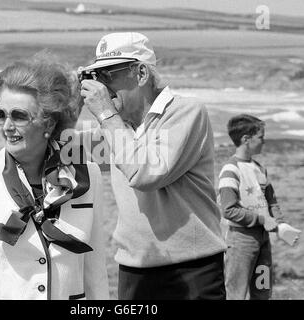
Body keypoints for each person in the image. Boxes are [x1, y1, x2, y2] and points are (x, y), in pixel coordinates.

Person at [0, 55, 109, 300]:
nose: (7, 126)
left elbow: (95, 272)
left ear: (48, 122)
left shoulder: (86, 176)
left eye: (19, 116)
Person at [79, 32, 227, 300]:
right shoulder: (116, 127)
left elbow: (145, 173)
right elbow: (56, 152)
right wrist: (68, 104)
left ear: (141, 73)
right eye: (95, 77)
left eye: (108, 75)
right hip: (136, 268)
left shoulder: (186, 113)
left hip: (192, 269)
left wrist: (106, 115)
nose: (102, 86)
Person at [218, 114, 288, 299]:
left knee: (263, 291)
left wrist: (280, 225)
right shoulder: (230, 170)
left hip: (264, 241)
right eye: (261, 138)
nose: (264, 142)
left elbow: (271, 200)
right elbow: (229, 210)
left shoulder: (260, 168)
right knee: (236, 294)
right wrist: (263, 219)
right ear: (246, 139)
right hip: (241, 241)